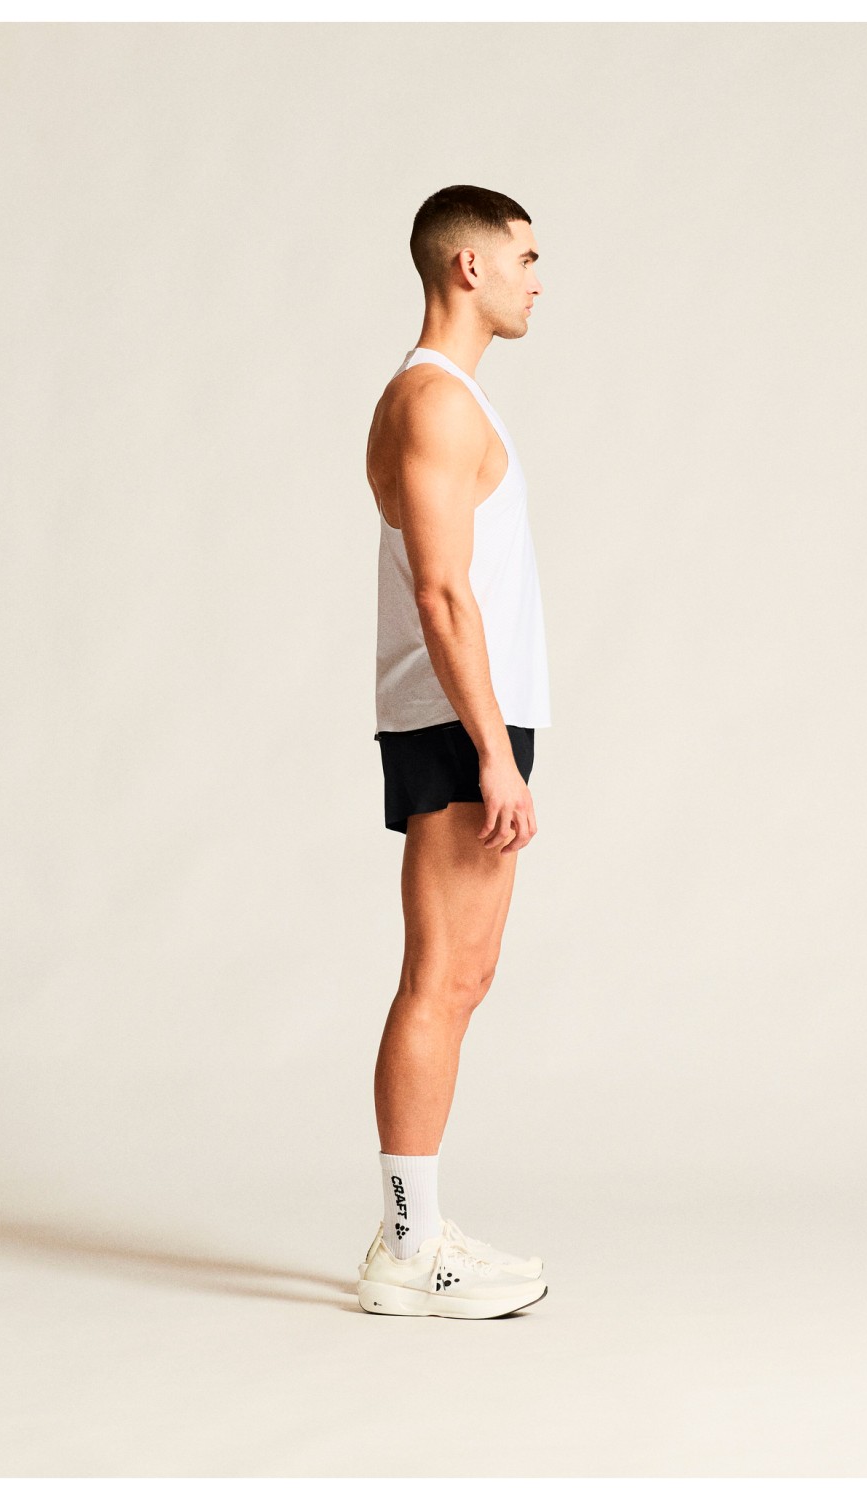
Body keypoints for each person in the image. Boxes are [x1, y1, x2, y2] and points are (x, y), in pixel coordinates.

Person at [355, 185, 553, 1319]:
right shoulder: (433, 400)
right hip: (456, 717)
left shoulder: (445, 398)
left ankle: (417, 1229)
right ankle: (407, 1251)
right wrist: (493, 753)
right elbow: (441, 591)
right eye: (526, 257)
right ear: (468, 267)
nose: (538, 280)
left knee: (463, 977)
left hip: (468, 714)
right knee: (440, 978)